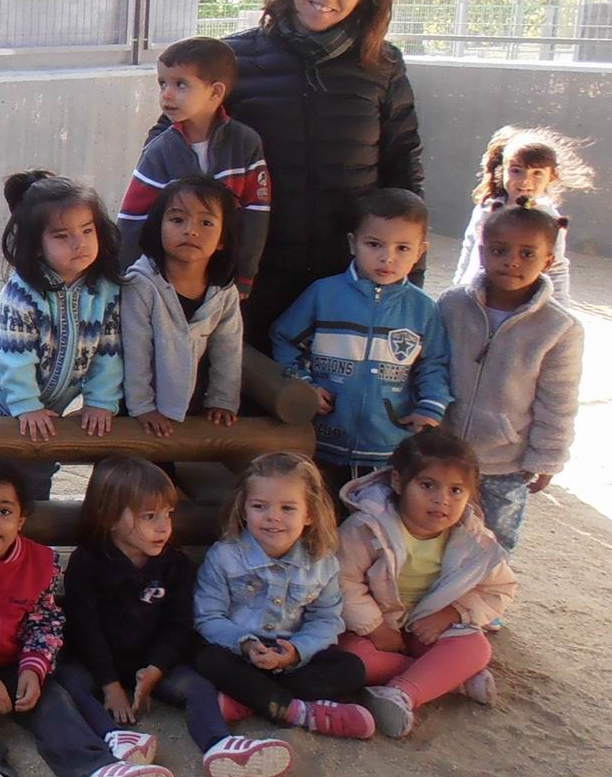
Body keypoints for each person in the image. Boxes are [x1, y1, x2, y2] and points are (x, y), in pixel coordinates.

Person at [0, 457, 176, 777]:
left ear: (21, 520)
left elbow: (45, 622)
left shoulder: (40, 562)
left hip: (14, 661)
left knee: (54, 701)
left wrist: (33, 668)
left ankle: (96, 770)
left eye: (4, 511)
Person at [224, 0, 422, 337]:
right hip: (251, 276)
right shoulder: (232, 58)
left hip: (346, 279)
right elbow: (172, 147)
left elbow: (403, 169)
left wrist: (410, 274)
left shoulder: (384, 66)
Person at [51, 458, 292, 777]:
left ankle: (218, 744)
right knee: (69, 682)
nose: (164, 527)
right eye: (149, 516)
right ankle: (115, 736)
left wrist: (156, 668)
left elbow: (179, 624)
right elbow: (85, 628)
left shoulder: (174, 564)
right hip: (95, 662)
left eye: (168, 514)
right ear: (110, 517)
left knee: (198, 687)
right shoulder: (88, 562)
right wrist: (110, 685)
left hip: (151, 661)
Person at [336, 429, 516, 738]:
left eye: (456, 490)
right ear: (398, 482)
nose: (441, 500)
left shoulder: (473, 540)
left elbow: (500, 589)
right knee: (349, 661)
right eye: (427, 485)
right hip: (371, 628)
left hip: (426, 626)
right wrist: (375, 628)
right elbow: (343, 580)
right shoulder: (366, 527)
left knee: (475, 648)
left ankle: (401, 694)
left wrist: (451, 614)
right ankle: (450, 678)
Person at [270, 187, 452, 493]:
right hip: (318, 442)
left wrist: (430, 409)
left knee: (372, 519)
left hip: (387, 451)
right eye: (374, 244)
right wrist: (303, 386)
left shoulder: (424, 309)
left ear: (420, 252)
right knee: (318, 512)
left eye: (402, 248)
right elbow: (284, 339)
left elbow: (434, 364)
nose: (387, 257)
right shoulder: (323, 294)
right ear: (353, 243)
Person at [0, 170, 124, 499]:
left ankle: (33, 518)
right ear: (36, 247)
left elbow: (108, 349)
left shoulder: (104, 291)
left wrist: (100, 402)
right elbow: (14, 358)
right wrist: (26, 405)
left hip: (47, 397)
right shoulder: (22, 295)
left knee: (39, 460)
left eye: (87, 230)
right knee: (0, 460)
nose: (79, 243)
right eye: (62, 236)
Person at [192, 453, 375, 739]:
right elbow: (208, 617)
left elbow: (326, 619)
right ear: (243, 509)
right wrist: (246, 645)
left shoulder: (322, 562)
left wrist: (295, 653)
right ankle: (298, 712)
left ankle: (250, 700)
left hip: (291, 658)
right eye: (259, 506)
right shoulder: (224, 556)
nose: (273, 517)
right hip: (239, 653)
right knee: (207, 660)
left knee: (351, 668)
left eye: (288, 508)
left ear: (309, 514)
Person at [439, 204, 583, 552]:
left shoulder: (560, 328)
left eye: (527, 253)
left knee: (492, 547)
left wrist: (547, 458)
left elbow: (558, 402)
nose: (511, 261)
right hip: (441, 453)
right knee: (432, 537)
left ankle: (486, 591)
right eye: (499, 251)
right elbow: (428, 367)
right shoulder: (451, 306)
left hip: (505, 464)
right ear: (482, 252)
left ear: (548, 260)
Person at [116, 36, 272, 295]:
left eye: (181, 84)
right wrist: (125, 278)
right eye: (162, 83)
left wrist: (245, 273)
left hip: (223, 279)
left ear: (215, 92)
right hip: (166, 280)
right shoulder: (160, 150)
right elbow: (133, 218)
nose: (166, 94)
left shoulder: (245, 143)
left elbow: (256, 213)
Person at [119, 176, 244, 436]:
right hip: (133, 407)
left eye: (206, 222)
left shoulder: (223, 292)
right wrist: (142, 407)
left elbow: (228, 350)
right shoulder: (140, 284)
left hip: (191, 405)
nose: (190, 230)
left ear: (222, 238)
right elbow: (135, 351)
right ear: (158, 227)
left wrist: (222, 400)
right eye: (177, 220)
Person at [450, 124, 594, 305]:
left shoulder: (549, 220)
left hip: (516, 304)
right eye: (516, 171)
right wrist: (456, 290)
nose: (525, 180)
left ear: (552, 176)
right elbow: (469, 249)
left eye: (537, 173)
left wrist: (561, 307)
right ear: (502, 170)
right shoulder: (487, 209)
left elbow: (557, 268)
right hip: (474, 299)